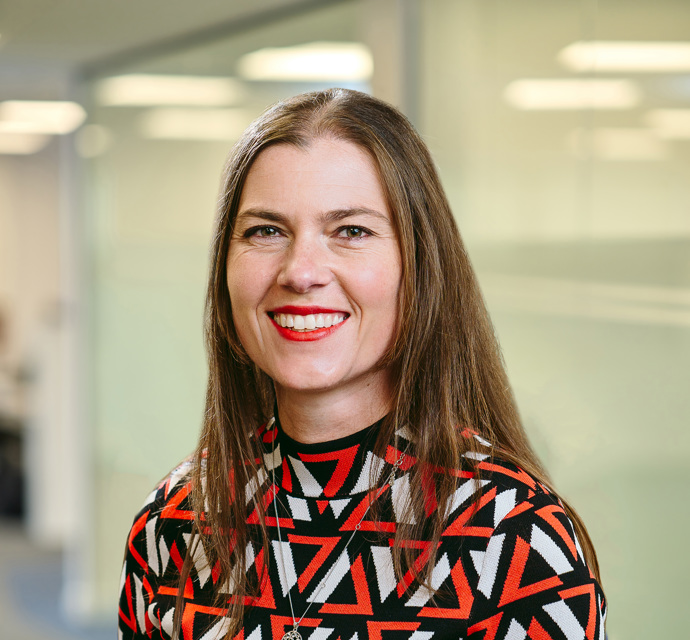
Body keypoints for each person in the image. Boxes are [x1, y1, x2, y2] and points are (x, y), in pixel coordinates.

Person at [119, 88, 606, 640]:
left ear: (420, 265)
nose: (301, 271)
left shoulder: (512, 539)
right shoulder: (178, 520)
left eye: (351, 231)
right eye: (266, 231)